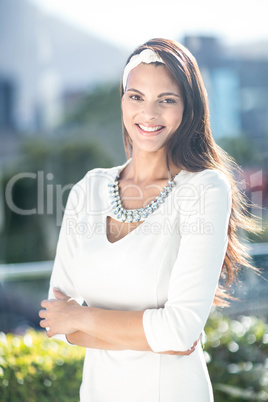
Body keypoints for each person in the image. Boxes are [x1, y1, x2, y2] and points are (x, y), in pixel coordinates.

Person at [39, 38, 260, 401]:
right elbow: (57, 323)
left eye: (167, 100)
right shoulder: (89, 189)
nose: (149, 113)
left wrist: (80, 317)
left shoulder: (205, 189)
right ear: (123, 101)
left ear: (189, 108)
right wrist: (156, 335)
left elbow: (180, 332)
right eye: (136, 96)